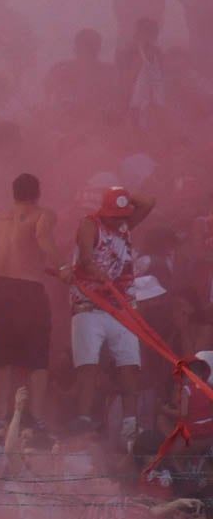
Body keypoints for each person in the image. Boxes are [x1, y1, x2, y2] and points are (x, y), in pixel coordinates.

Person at [67, 186, 155, 441]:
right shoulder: (90, 224)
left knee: (129, 364)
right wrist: (98, 274)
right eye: (114, 216)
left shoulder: (125, 225)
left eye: (122, 216)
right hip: (89, 305)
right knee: (88, 364)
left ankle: (130, 423)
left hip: (121, 307)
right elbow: (85, 258)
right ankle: (84, 418)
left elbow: (149, 201)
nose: (119, 221)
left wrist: (123, 195)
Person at [0, 173, 59, 430]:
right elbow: (43, 239)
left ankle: (0, 418)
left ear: (13, 193)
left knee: (3, 358)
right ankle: (36, 418)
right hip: (28, 289)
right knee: (37, 357)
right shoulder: (43, 214)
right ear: (37, 193)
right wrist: (63, 267)